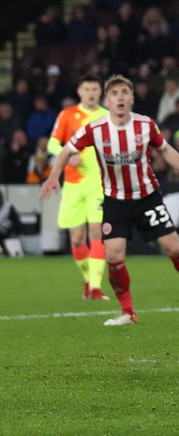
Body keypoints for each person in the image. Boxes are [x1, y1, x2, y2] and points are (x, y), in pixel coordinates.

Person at [40, 76, 179, 326]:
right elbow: (67, 150)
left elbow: (166, 150)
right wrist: (53, 177)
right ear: (108, 100)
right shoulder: (95, 129)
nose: (120, 98)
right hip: (115, 202)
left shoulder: (146, 125)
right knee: (113, 257)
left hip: (147, 198)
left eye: (125, 92)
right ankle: (127, 311)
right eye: (114, 94)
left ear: (132, 98)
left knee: (175, 248)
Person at [46, 75, 110, 300]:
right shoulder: (67, 115)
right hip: (73, 183)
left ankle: (95, 287)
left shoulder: (106, 117)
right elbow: (52, 143)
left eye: (95, 89)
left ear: (100, 91)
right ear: (79, 91)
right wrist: (67, 155)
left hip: (99, 184)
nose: (91, 93)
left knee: (96, 232)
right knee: (77, 239)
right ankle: (87, 279)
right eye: (87, 89)